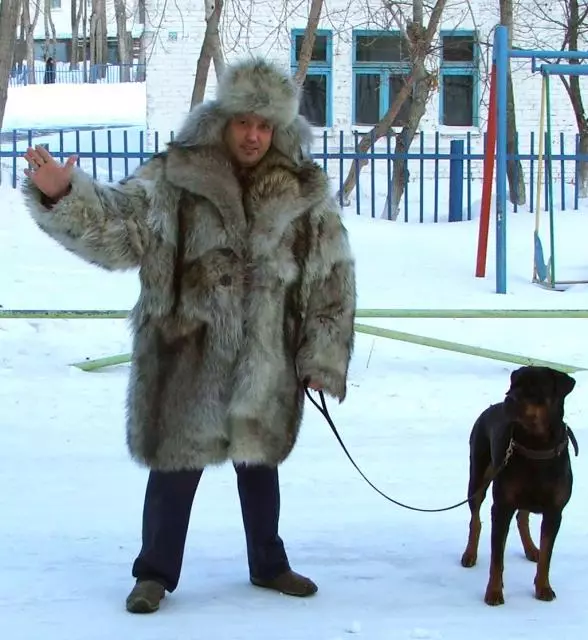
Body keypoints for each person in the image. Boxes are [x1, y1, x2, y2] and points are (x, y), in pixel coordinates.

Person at [22, 58, 357, 614]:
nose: (253, 134)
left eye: (264, 125)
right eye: (243, 121)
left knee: (261, 462)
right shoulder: (177, 177)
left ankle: (269, 563)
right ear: (223, 119)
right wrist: (64, 195)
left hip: (266, 354)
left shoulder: (303, 191)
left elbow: (332, 276)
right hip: (186, 350)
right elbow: (121, 228)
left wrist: (322, 353)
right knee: (175, 469)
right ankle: (153, 573)